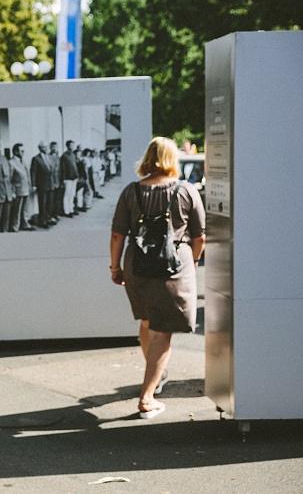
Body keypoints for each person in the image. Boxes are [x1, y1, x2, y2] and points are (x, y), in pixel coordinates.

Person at [109, 137, 206, 419]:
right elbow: (199, 237)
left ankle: (156, 375)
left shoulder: (131, 192)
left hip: (137, 267)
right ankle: (147, 397)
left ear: (148, 158)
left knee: (148, 320)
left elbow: (118, 234)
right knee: (163, 331)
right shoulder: (186, 190)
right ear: (172, 158)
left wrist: (115, 267)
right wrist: (193, 260)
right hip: (173, 268)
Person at [7, 143, 34, 232]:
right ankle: (15, 226)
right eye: (21, 151)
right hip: (18, 190)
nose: (23, 152)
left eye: (23, 151)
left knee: (25, 209)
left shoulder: (23, 161)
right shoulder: (11, 162)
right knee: (17, 211)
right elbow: (9, 179)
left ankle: (25, 224)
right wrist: (12, 191)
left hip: (25, 189)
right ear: (15, 151)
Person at [30, 141, 53, 228]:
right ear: (40, 148)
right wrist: (34, 184)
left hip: (50, 183)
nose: (46, 148)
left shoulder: (49, 157)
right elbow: (33, 172)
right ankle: (42, 221)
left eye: (46, 147)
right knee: (42, 203)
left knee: (49, 203)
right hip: (42, 184)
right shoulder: (36, 158)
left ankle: (48, 218)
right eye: (44, 147)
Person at [60, 140, 79, 217]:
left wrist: (77, 176)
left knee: (72, 195)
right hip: (67, 178)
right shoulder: (64, 156)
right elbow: (62, 168)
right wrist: (63, 179)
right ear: (67, 146)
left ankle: (71, 209)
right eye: (71, 145)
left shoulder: (73, 155)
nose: (72, 147)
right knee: (67, 195)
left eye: (73, 145)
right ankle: (66, 211)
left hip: (74, 178)